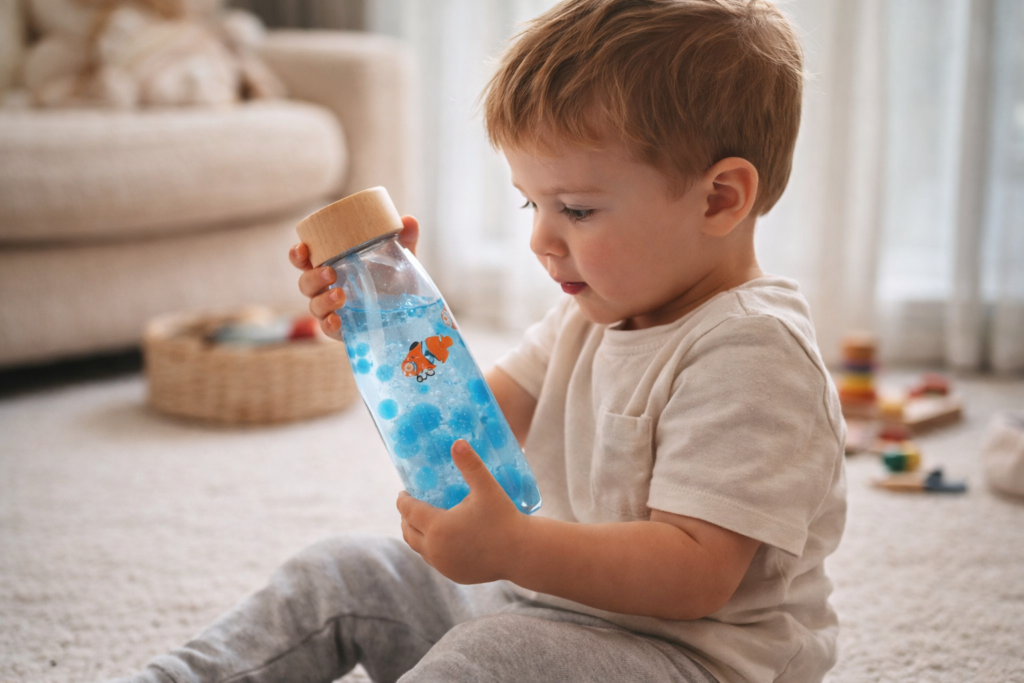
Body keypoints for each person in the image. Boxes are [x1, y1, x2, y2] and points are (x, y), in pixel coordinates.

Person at [115, 0, 846, 681]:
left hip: (690, 658)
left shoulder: (753, 350)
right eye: (532, 202)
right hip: (543, 606)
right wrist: (387, 316)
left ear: (720, 198)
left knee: (485, 654)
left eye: (578, 209)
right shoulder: (593, 313)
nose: (540, 238)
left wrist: (516, 549)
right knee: (342, 571)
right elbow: (462, 418)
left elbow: (695, 571)